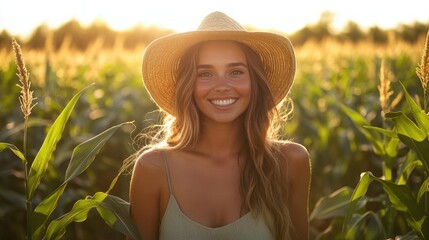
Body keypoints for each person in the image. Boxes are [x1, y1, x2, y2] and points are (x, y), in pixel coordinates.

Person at [129, 11, 311, 240]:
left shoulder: (290, 162)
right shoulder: (153, 169)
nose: (221, 86)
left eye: (235, 72)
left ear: (254, 81)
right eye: (205, 74)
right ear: (188, 85)